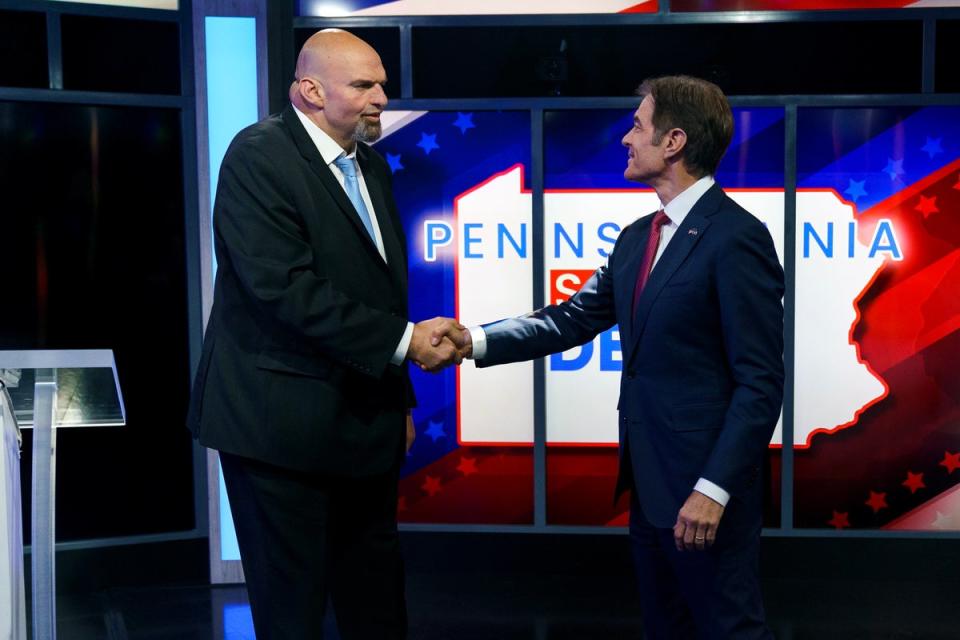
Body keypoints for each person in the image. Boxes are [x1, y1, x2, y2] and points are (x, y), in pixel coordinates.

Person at [438, 76, 784, 639]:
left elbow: (760, 383)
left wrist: (713, 489)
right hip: (649, 490)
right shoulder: (635, 239)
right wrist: (471, 340)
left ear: (673, 142)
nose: (626, 138)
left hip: (704, 496)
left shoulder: (736, 237)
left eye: (638, 126)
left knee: (729, 630)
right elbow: (569, 318)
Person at [187, 29, 461, 640]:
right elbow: (285, 290)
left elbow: (380, 292)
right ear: (309, 90)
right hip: (278, 428)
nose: (381, 98)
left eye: (382, 84)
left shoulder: (370, 164)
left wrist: (399, 397)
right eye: (364, 85)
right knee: (294, 613)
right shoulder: (258, 155)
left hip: (365, 422)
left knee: (377, 601)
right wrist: (406, 344)